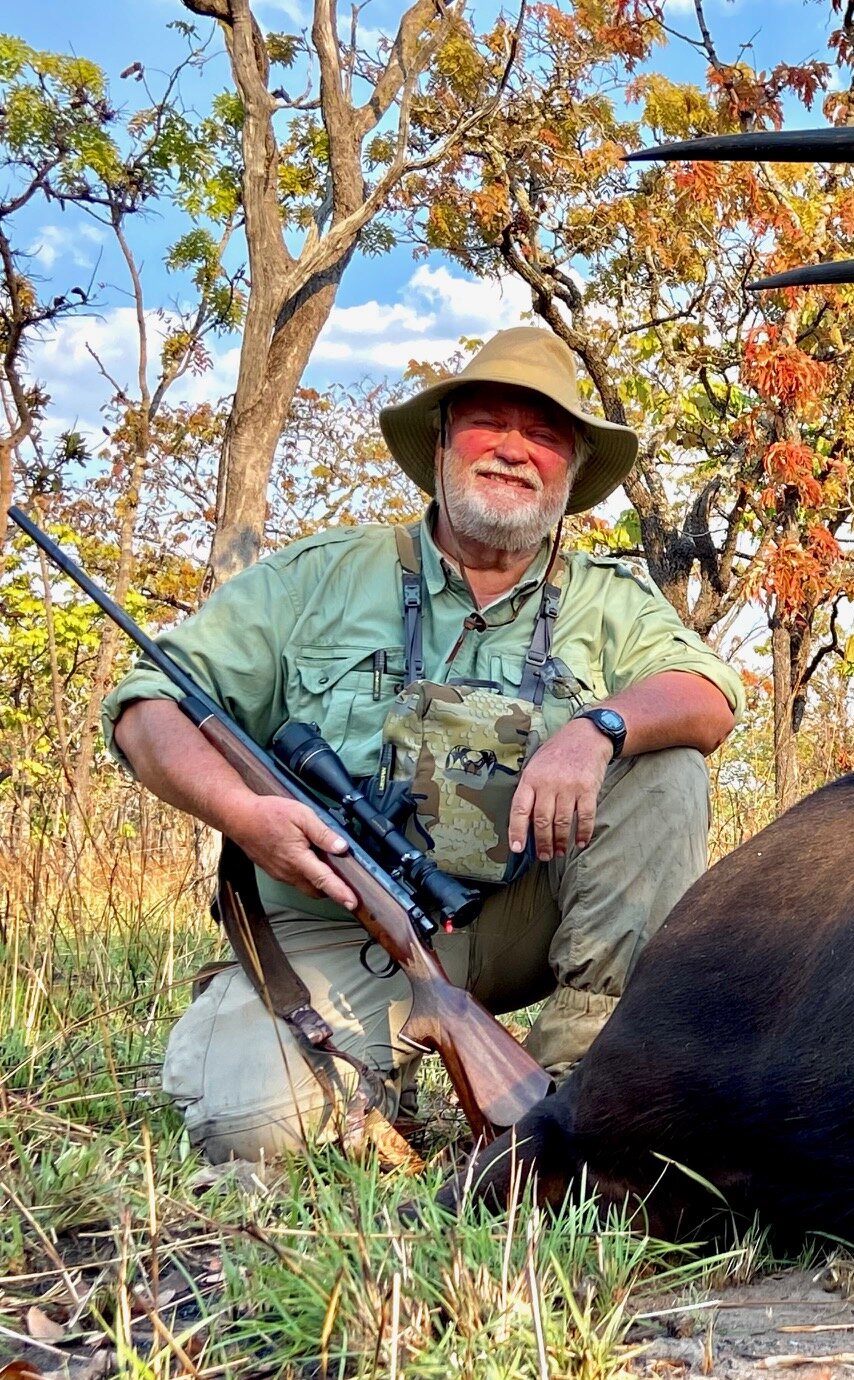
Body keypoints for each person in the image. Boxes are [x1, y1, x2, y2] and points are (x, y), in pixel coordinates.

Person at [105, 328, 743, 1163]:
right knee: (250, 1129)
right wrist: (246, 814)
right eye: (486, 423)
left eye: (544, 434)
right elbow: (147, 706)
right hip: (344, 924)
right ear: (441, 444)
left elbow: (708, 696)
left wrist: (597, 729)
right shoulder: (319, 576)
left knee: (664, 764)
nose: (513, 449)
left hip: (529, 915)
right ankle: (377, 1077)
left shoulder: (607, 601)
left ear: (572, 471)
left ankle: (590, 1091)